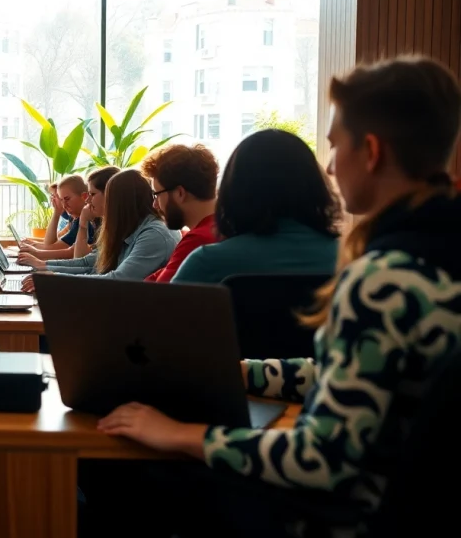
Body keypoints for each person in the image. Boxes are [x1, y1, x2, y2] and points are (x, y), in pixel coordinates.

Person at [87, 56, 461, 538]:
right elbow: (343, 372)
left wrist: (182, 434)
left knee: (114, 474)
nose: (329, 165)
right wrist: (239, 370)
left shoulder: (382, 278)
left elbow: (319, 459)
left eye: (334, 147)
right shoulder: (436, 254)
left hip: (335, 518)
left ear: (370, 151)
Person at [170, 129, 341, 284]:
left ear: (233, 191)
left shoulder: (206, 264)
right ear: (315, 186)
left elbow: (164, 317)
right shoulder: (351, 260)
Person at [20, 169, 179, 292]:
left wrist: (53, 278)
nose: (87, 201)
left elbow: (118, 280)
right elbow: (91, 264)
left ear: (117, 201)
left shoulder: (154, 235)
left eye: (92, 194)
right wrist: (45, 269)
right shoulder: (128, 228)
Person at [140, 144, 220, 283]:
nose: (155, 205)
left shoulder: (198, 240)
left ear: (179, 193)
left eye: (157, 195)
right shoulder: (224, 227)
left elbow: (154, 295)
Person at [21, 174, 95, 260]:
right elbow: (50, 243)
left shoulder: (84, 221)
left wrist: (36, 251)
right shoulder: (75, 218)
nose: (64, 205)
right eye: (61, 199)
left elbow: (53, 247)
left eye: (67, 199)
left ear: (84, 197)